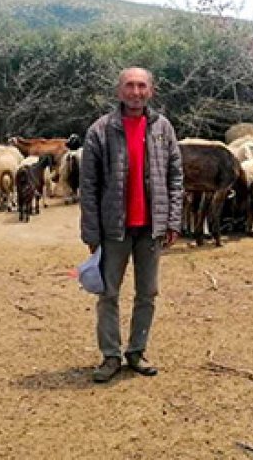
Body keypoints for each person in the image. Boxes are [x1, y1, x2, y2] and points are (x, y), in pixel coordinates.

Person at [79, 67, 183, 383]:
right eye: (129, 86)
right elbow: (89, 186)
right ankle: (110, 356)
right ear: (119, 90)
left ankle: (137, 351)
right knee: (108, 294)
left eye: (141, 86)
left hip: (151, 227)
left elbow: (175, 177)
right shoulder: (100, 130)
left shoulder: (163, 128)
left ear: (150, 91)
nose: (135, 92)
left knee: (147, 293)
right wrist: (91, 232)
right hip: (114, 229)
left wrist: (173, 220)